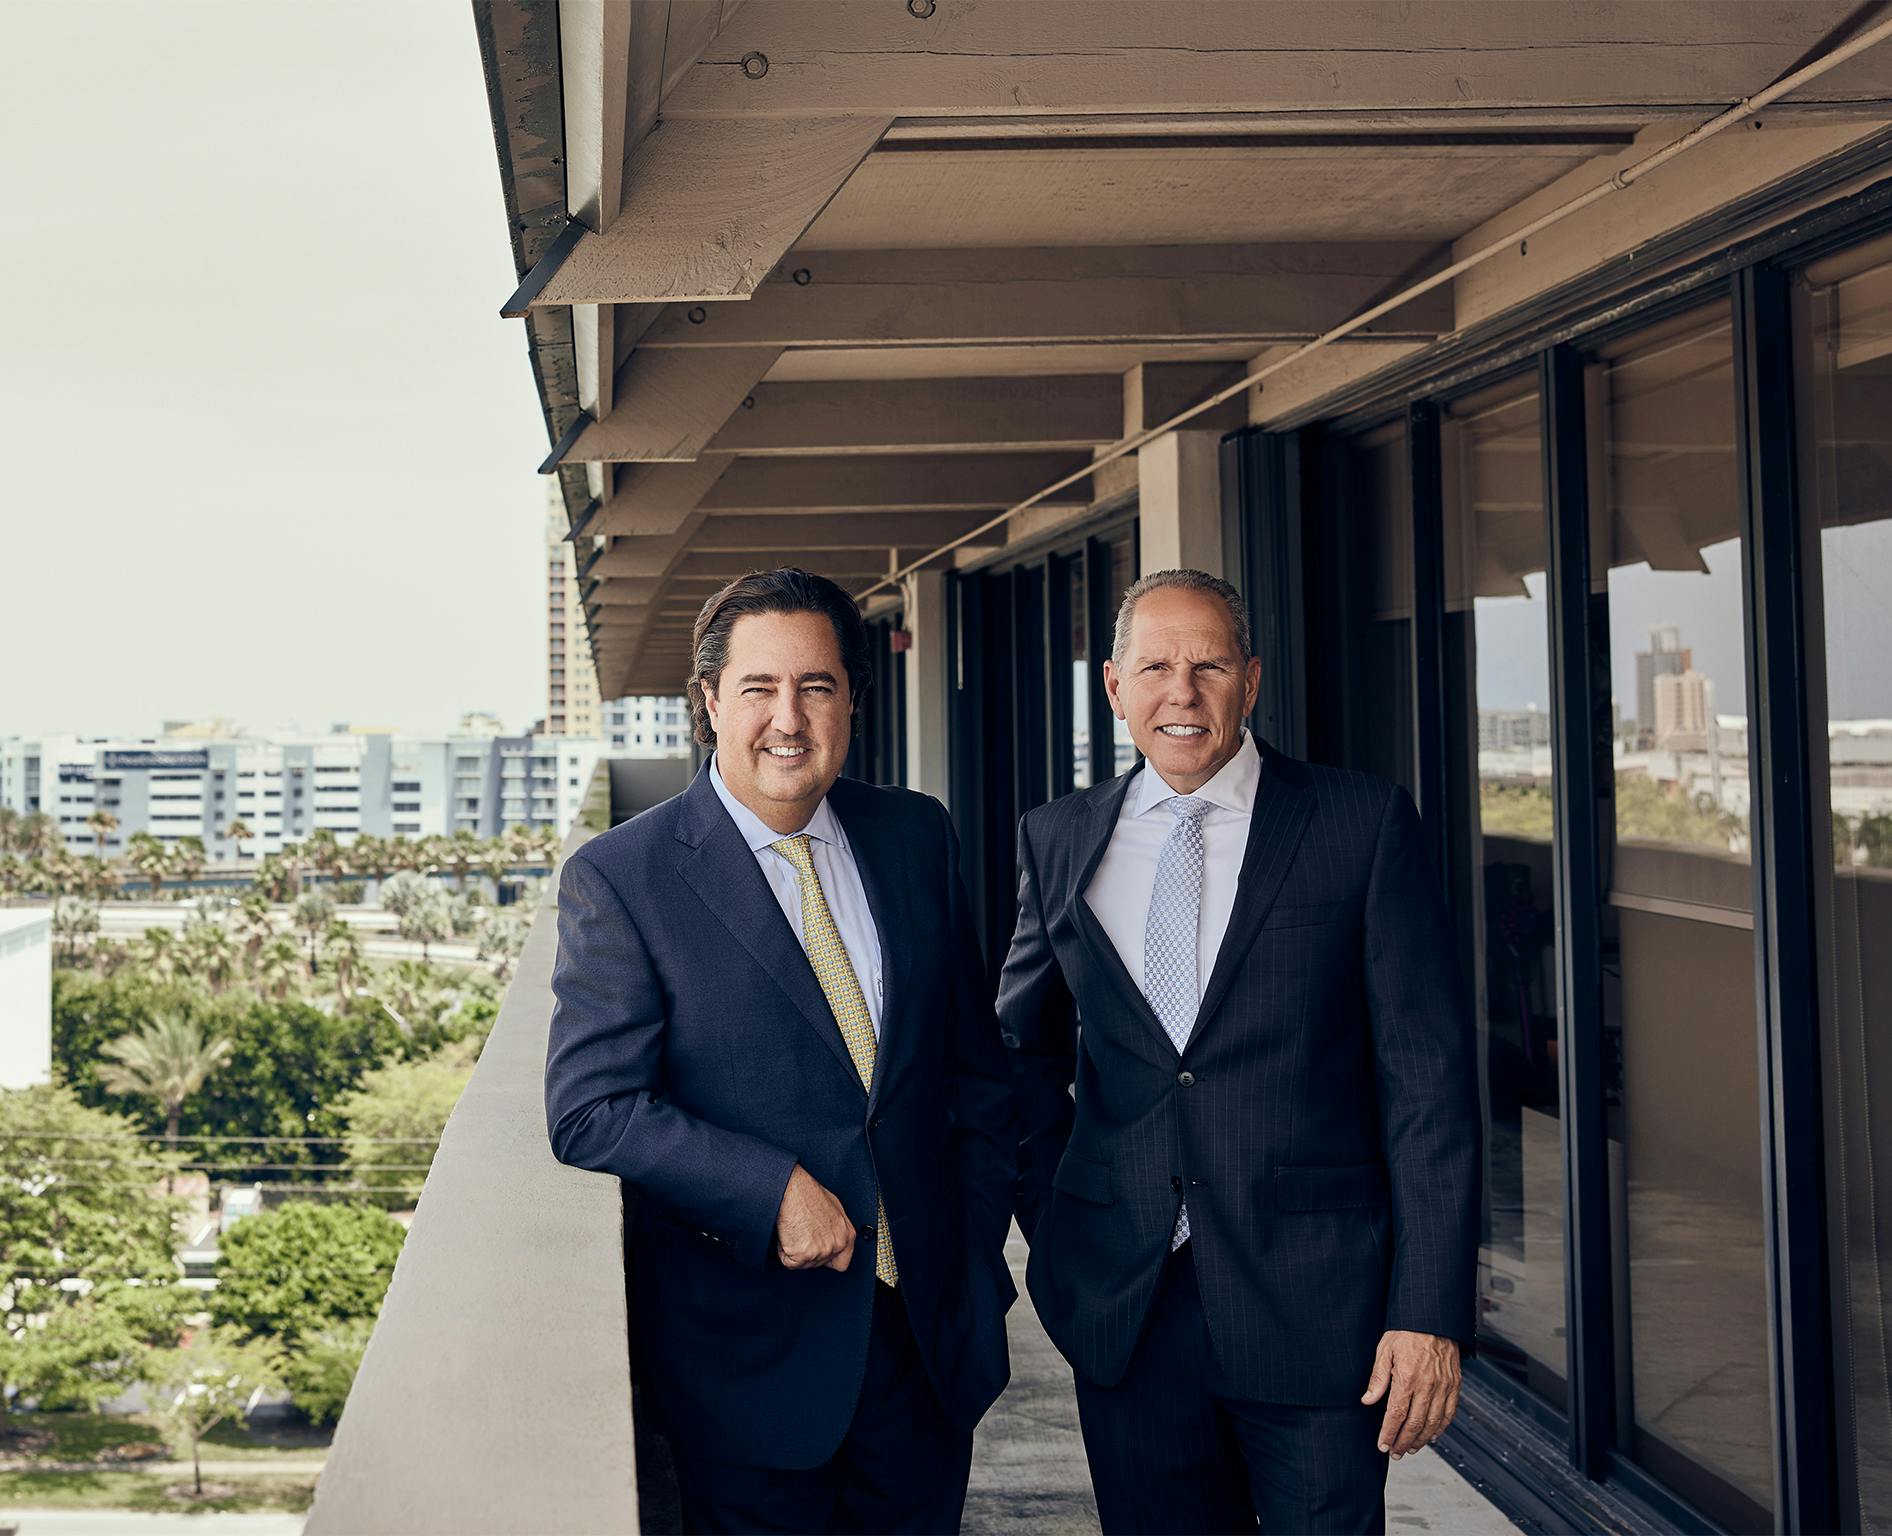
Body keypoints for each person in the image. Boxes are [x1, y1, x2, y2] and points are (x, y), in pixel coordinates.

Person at [999, 568, 1479, 1535]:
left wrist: (1427, 1312)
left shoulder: (1360, 824)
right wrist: (1061, 1222)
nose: (1183, 691)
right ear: (1115, 686)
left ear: (1251, 682)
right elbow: (1018, 1056)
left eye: (1209, 664)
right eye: (1158, 666)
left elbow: (1427, 1084)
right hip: (1126, 1306)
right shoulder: (1058, 838)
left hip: (1318, 1309)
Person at [544, 567, 1016, 1534]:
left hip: (927, 1344)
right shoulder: (623, 875)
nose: (788, 718)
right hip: (751, 1361)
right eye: (758, 688)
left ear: (852, 699)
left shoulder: (915, 834)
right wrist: (772, 1190)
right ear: (711, 702)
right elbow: (590, 1108)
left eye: (817, 686)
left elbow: (973, 1067)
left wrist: (970, 1245)